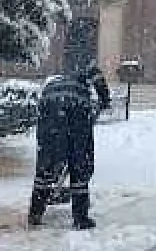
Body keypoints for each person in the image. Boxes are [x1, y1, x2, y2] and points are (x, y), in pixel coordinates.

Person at [29, 61, 112, 230]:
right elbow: (98, 77)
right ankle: (80, 218)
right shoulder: (85, 77)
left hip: (48, 110)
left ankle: (35, 213)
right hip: (75, 110)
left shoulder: (55, 82)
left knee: (47, 162)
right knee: (80, 161)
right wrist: (104, 100)